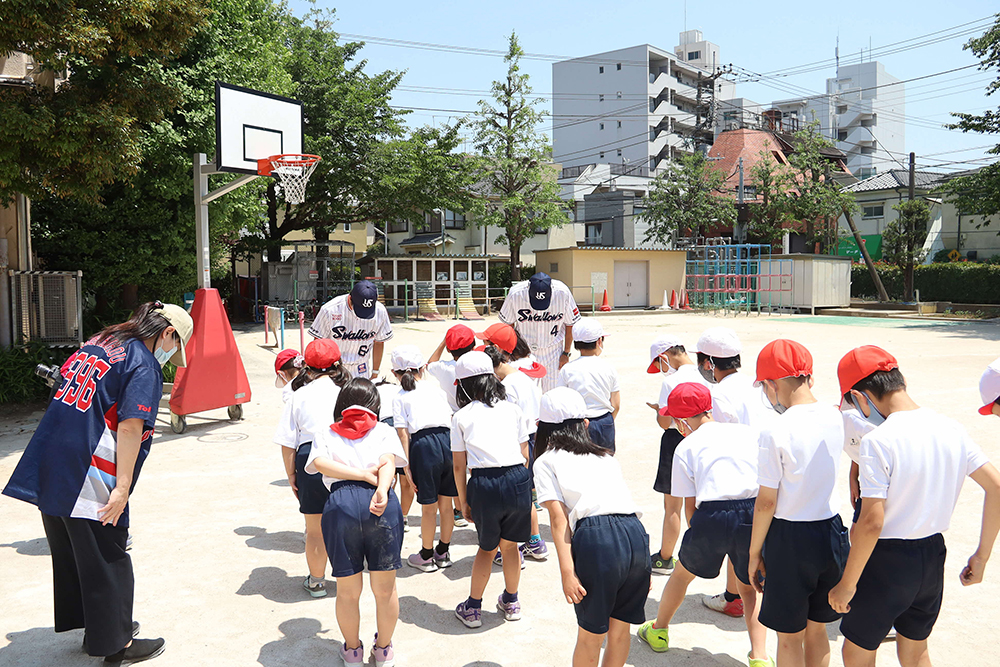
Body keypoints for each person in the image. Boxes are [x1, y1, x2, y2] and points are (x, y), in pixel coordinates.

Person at [4, 301, 193, 665]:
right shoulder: (142, 361)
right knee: (109, 553)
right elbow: (130, 426)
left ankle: (98, 626)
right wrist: (121, 488)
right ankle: (115, 644)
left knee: (75, 550)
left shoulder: (101, 340)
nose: (171, 356)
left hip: (54, 454)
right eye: (175, 347)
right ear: (168, 333)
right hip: (90, 463)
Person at [829, 346, 1000, 667]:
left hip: (885, 561)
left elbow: (871, 522)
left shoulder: (879, 441)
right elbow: (997, 487)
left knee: (856, 652)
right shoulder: (950, 428)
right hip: (932, 557)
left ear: (861, 396)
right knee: (915, 650)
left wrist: (846, 584)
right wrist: (982, 555)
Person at [638, 382, 772, 667]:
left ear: (682, 421)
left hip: (710, 514)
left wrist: (698, 536)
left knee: (682, 575)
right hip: (750, 511)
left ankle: (659, 630)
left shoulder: (685, 446)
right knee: (749, 587)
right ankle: (760, 657)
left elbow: (689, 504)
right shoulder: (746, 432)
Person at [747, 339, 848, 667]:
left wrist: (753, 554)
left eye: (764, 386)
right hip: (832, 532)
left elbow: (766, 502)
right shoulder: (838, 417)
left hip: (790, 539)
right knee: (817, 630)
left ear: (772, 384)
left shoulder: (775, 430)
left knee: (789, 638)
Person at [533, 387, 650, 667]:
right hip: (635, 534)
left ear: (542, 428)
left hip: (599, 540)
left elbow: (559, 520)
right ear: (585, 424)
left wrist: (567, 572)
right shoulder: (606, 457)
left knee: (591, 636)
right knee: (620, 633)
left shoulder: (546, 461)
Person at [305, 378, 406, 667]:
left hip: (341, 505)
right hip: (381, 502)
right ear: (374, 406)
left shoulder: (326, 432)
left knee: (348, 591)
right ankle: (384, 651)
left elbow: (319, 464)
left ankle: (352, 652)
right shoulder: (384, 430)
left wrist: (358, 474)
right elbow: (388, 461)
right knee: (385, 588)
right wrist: (382, 490)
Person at [451, 351, 532, 628]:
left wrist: (463, 502)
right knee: (511, 547)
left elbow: (459, 466)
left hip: (484, 483)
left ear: (463, 384)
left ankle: (473, 607)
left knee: (486, 549)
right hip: (517, 478)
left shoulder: (461, 416)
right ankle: (511, 601)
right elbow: (525, 453)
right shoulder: (513, 409)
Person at [694, 327, 771, 619]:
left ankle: (735, 597)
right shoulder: (757, 387)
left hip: (744, 473)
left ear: (709, 363)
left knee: (736, 539)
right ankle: (732, 596)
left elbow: (719, 440)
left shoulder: (718, 394)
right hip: (770, 468)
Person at [273, 339, 350, 598]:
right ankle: (349, 576)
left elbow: (287, 442)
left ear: (307, 367)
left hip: (310, 458)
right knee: (348, 521)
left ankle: (317, 582)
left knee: (315, 528)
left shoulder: (298, 395)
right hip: (345, 455)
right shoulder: (349, 390)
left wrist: (291, 474)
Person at [645, 334, 711, 576]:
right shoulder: (706, 373)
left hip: (676, 440)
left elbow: (665, 423)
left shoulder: (670, 382)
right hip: (704, 437)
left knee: (672, 504)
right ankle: (702, 554)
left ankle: (665, 558)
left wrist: (658, 410)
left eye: (659, 364)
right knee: (697, 501)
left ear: (664, 357)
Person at [479, 330, 547, 563]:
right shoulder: (522, 377)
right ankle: (535, 542)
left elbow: (509, 421)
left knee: (514, 497)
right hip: (533, 435)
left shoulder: (506, 387)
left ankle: (513, 549)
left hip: (519, 442)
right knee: (525, 494)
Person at [389, 345, 457, 573]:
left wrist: (406, 465)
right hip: (447, 442)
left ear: (395, 374)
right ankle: (443, 552)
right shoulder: (436, 389)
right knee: (446, 505)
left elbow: (402, 433)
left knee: (429, 507)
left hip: (423, 446)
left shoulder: (400, 397)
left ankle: (426, 555)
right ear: (422, 369)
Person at [426, 324, 477, 529]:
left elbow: (430, 362)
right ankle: (476, 505)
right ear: (473, 345)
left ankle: (458, 509)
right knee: (476, 465)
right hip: (476, 417)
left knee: (458, 467)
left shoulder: (443, 368)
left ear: (449, 348)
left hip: (454, 420)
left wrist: (442, 343)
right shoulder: (478, 365)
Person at [499, 272, 581, 391]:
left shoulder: (562, 292)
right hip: (524, 352)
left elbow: (570, 324)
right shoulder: (516, 293)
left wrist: (566, 352)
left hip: (554, 351)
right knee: (523, 394)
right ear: (528, 289)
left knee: (554, 394)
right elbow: (508, 324)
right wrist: (512, 351)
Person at [556, 317, 620, 453]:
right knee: (604, 462)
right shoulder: (608, 368)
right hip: (603, 420)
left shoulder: (567, 369)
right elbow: (616, 404)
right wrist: (607, 421)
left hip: (577, 423)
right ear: (599, 342)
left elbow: (561, 401)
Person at [308, 280, 393, 379]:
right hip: (334, 369)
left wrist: (375, 373)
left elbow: (379, 342)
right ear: (349, 298)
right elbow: (318, 344)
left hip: (361, 369)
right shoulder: (330, 310)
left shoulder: (380, 311)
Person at [375, 376, 414, 532]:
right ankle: (404, 517)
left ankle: (387, 514)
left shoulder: (374, 390)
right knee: (406, 480)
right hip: (404, 428)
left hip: (384, 425)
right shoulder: (399, 390)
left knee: (388, 479)